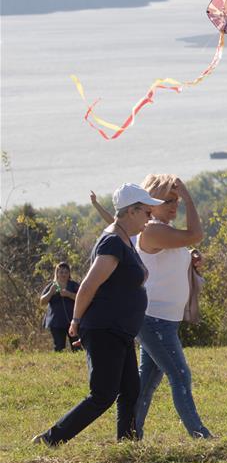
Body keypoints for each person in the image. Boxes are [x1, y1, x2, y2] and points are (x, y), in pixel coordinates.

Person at [32, 183, 161, 445]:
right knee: (103, 395)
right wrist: (76, 321)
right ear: (132, 211)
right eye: (147, 213)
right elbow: (90, 284)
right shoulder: (113, 241)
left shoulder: (123, 238)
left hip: (118, 330)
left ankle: (127, 444)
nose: (150, 219)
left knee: (130, 390)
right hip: (105, 328)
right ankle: (50, 439)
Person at [133, 174, 211, 439]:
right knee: (179, 375)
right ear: (150, 203)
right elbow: (196, 234)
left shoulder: (162, 229)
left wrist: (190, 258)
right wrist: (189, 197)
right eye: (168, 201)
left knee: (147, 383)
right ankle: (200, 434)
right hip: (154, 319)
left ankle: (130, 434)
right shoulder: (153, 229)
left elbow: (176, 252)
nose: (174, 205)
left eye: (176, 200)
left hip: (163, 319)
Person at [39, 262, 81, 352]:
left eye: (66, 272)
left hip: (72, 320)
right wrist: (50, 293)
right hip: (56, 322)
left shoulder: (74, 285)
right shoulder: (52, 286)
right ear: (57, 273)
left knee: (77, 347)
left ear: (69, 273)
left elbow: (82, 298)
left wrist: (69, 294)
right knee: (59, 347)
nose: (64, 274)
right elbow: (42, 302)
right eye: (61, 272)